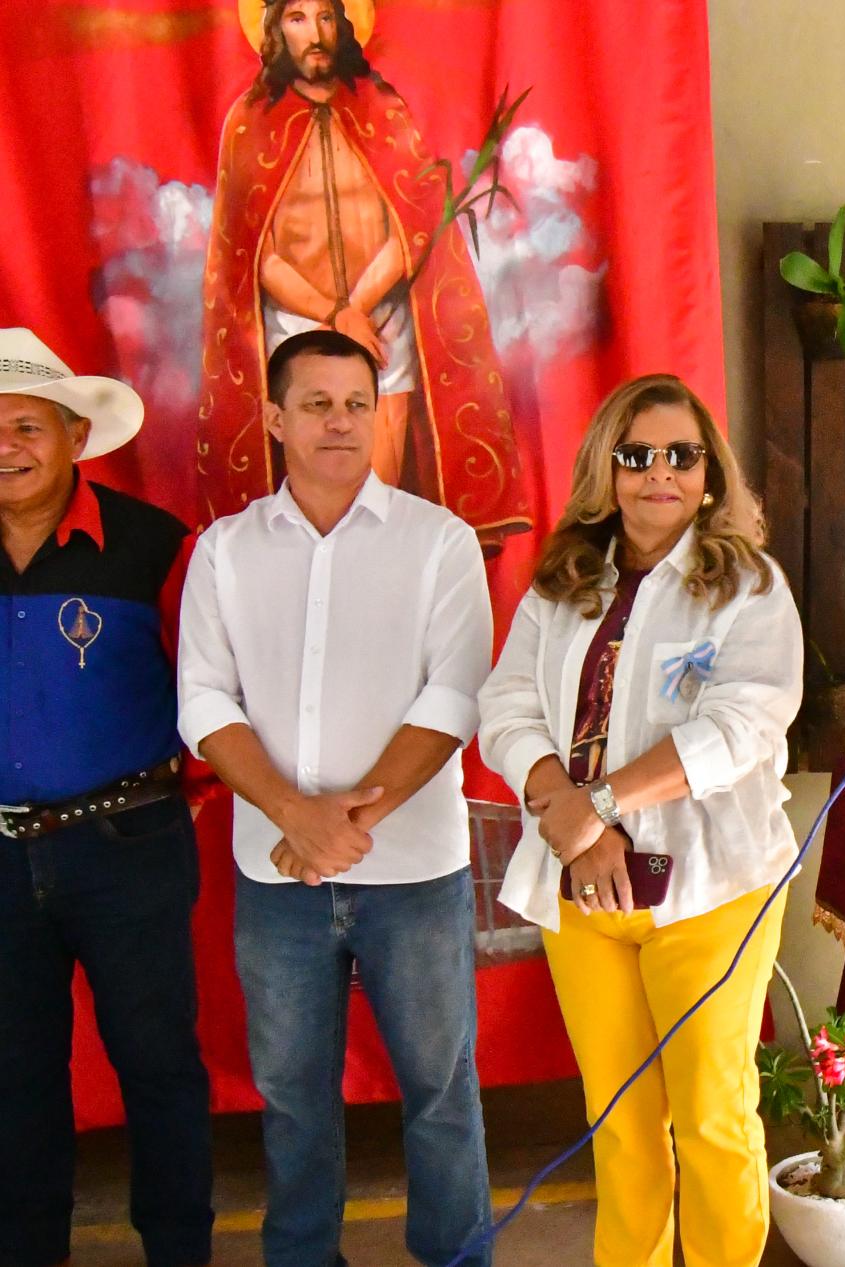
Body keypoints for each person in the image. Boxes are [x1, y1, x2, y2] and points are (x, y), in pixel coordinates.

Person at [178, 329, 495, 1267]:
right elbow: (202, 700)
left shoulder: (438, 542)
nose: (339, 421)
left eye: (357, 402)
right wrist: (293, 814)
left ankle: (456, 1257)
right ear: (274, 418)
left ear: (380, 412)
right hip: (277, 881)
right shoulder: (226, 551)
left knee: (441, 1091)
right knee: (292, 1096)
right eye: (315, 403)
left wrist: (337, 824)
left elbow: (455, 695)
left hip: (416, 874)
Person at [478, 374, 802, 1267]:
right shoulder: (563, 578)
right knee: (619, 1121)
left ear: (710, 472)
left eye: (681, 455)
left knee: (710, 1118)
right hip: (580, 888)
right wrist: (568, 814)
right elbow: (506, 703)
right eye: (637, 454)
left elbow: (742, 725)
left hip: (714, 887)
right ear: (607, 468)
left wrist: (603, 804)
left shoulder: (749, 584)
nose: (659, 472)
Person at [0, 329, 213, 1267]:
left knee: (159, 1066)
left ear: (76, 438)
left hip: (129, 846)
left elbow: (210, 693)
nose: (7, 445)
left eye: (26, 425)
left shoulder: (154, 545)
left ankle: (178, 1251)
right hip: (0, 862)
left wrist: (187, 793)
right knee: (15, 1080)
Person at [198, 0, 530, 546]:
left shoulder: (381, 106)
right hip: (293, 325)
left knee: (378, 496)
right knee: (307, 498)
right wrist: (333, 315)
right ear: (274, 28)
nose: (315, 34)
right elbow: (253, 255)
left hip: (381, 319)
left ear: (347, 23)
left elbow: (415, 226)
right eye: (298, 19)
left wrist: (359, 309)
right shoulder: (249, 120)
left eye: (327, 17)